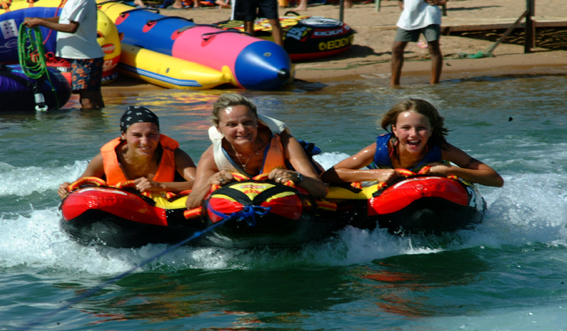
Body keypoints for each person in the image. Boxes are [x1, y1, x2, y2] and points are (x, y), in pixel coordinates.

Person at [186, 93, 328, 209]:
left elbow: (321, 190)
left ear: (257, 122)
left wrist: (296, 176)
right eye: (232, 125)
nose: (241, 130)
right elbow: (191, 203)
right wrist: (211, 182)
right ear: (219, 129)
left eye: (247, 122)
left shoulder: (285, 142)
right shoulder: (212, 156)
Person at [321, 98, 504, 187]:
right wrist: (378, 174)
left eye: (421, 128)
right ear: (394, 129)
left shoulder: (441, 149)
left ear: (431, 130)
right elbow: (330, 175)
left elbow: (495, 180)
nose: (413, 135)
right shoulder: (381, 149)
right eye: (405, 128)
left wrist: (450, 170)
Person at [58, 106, 197, 198]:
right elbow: (78, 185)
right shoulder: (104, 159)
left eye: (152, 134)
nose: (145, 142)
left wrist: (160, 186)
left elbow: (201, 184)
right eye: (137, 135)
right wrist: (66, 188)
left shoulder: (174, 155)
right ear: (123, 135)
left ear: (159, 134)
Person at [25, 0, 105, 110]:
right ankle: (100, 124)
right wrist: (39, 20)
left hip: (83, 57)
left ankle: (89, 126)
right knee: (95, 96)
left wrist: (41, 22)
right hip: (87, 55)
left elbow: (71, 27)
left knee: (87, 100)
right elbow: (64, 19)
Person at [391, 0, 448, 86]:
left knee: (433, 48)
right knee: (397, 48)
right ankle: (394, 84)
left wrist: (442, 1)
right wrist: (401, 3)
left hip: (429, 14)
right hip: (409, 15)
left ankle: (434, 84)